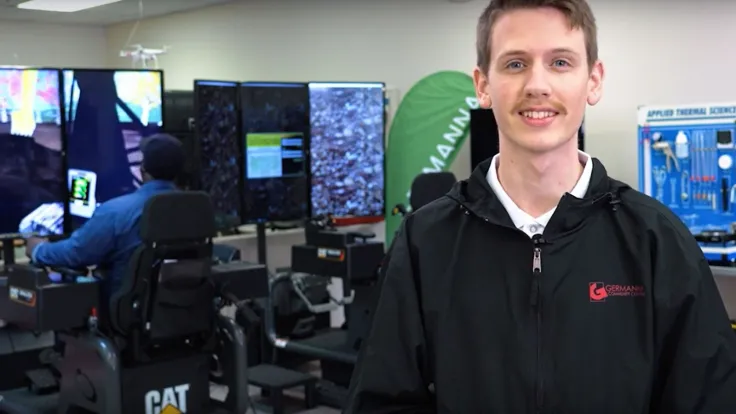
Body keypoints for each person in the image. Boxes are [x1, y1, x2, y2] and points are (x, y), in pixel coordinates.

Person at [344, 0, 736, 413]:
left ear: (594, 81)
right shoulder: (425, 241)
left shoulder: (657, 240)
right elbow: (382, 401)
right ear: (483, 86)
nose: (537, 84)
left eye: (561, 63)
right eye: (515, 64)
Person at [25, 133, 185, 299]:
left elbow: (76, 253)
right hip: (184, 309)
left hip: (127, 311)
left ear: (143, 169)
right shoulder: (196, 209)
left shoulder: (116, 212)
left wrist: (38, 249)